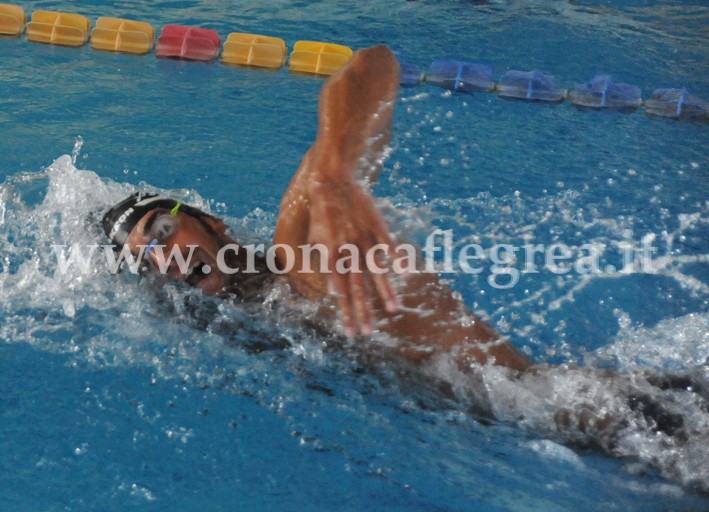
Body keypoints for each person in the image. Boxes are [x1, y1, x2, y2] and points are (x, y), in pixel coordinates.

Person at [102, 45, 531, 373]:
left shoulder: (299, 251)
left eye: (160, 231)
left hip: (554, 410)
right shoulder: (243, 323)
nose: (164, 258)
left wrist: (332, 174)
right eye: (145, 264)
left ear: (211, 222)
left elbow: (374, 66)